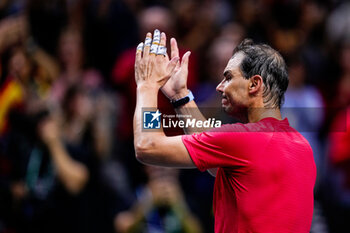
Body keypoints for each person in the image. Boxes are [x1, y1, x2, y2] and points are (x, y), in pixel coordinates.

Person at [133, 30, 316, 233]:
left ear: (254, 84)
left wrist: (147, 86)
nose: (220, 87)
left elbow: (147, 146)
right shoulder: (302, 146)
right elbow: (215, 165)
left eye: (228, 77)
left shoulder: (245, 139)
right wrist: (180, 95)